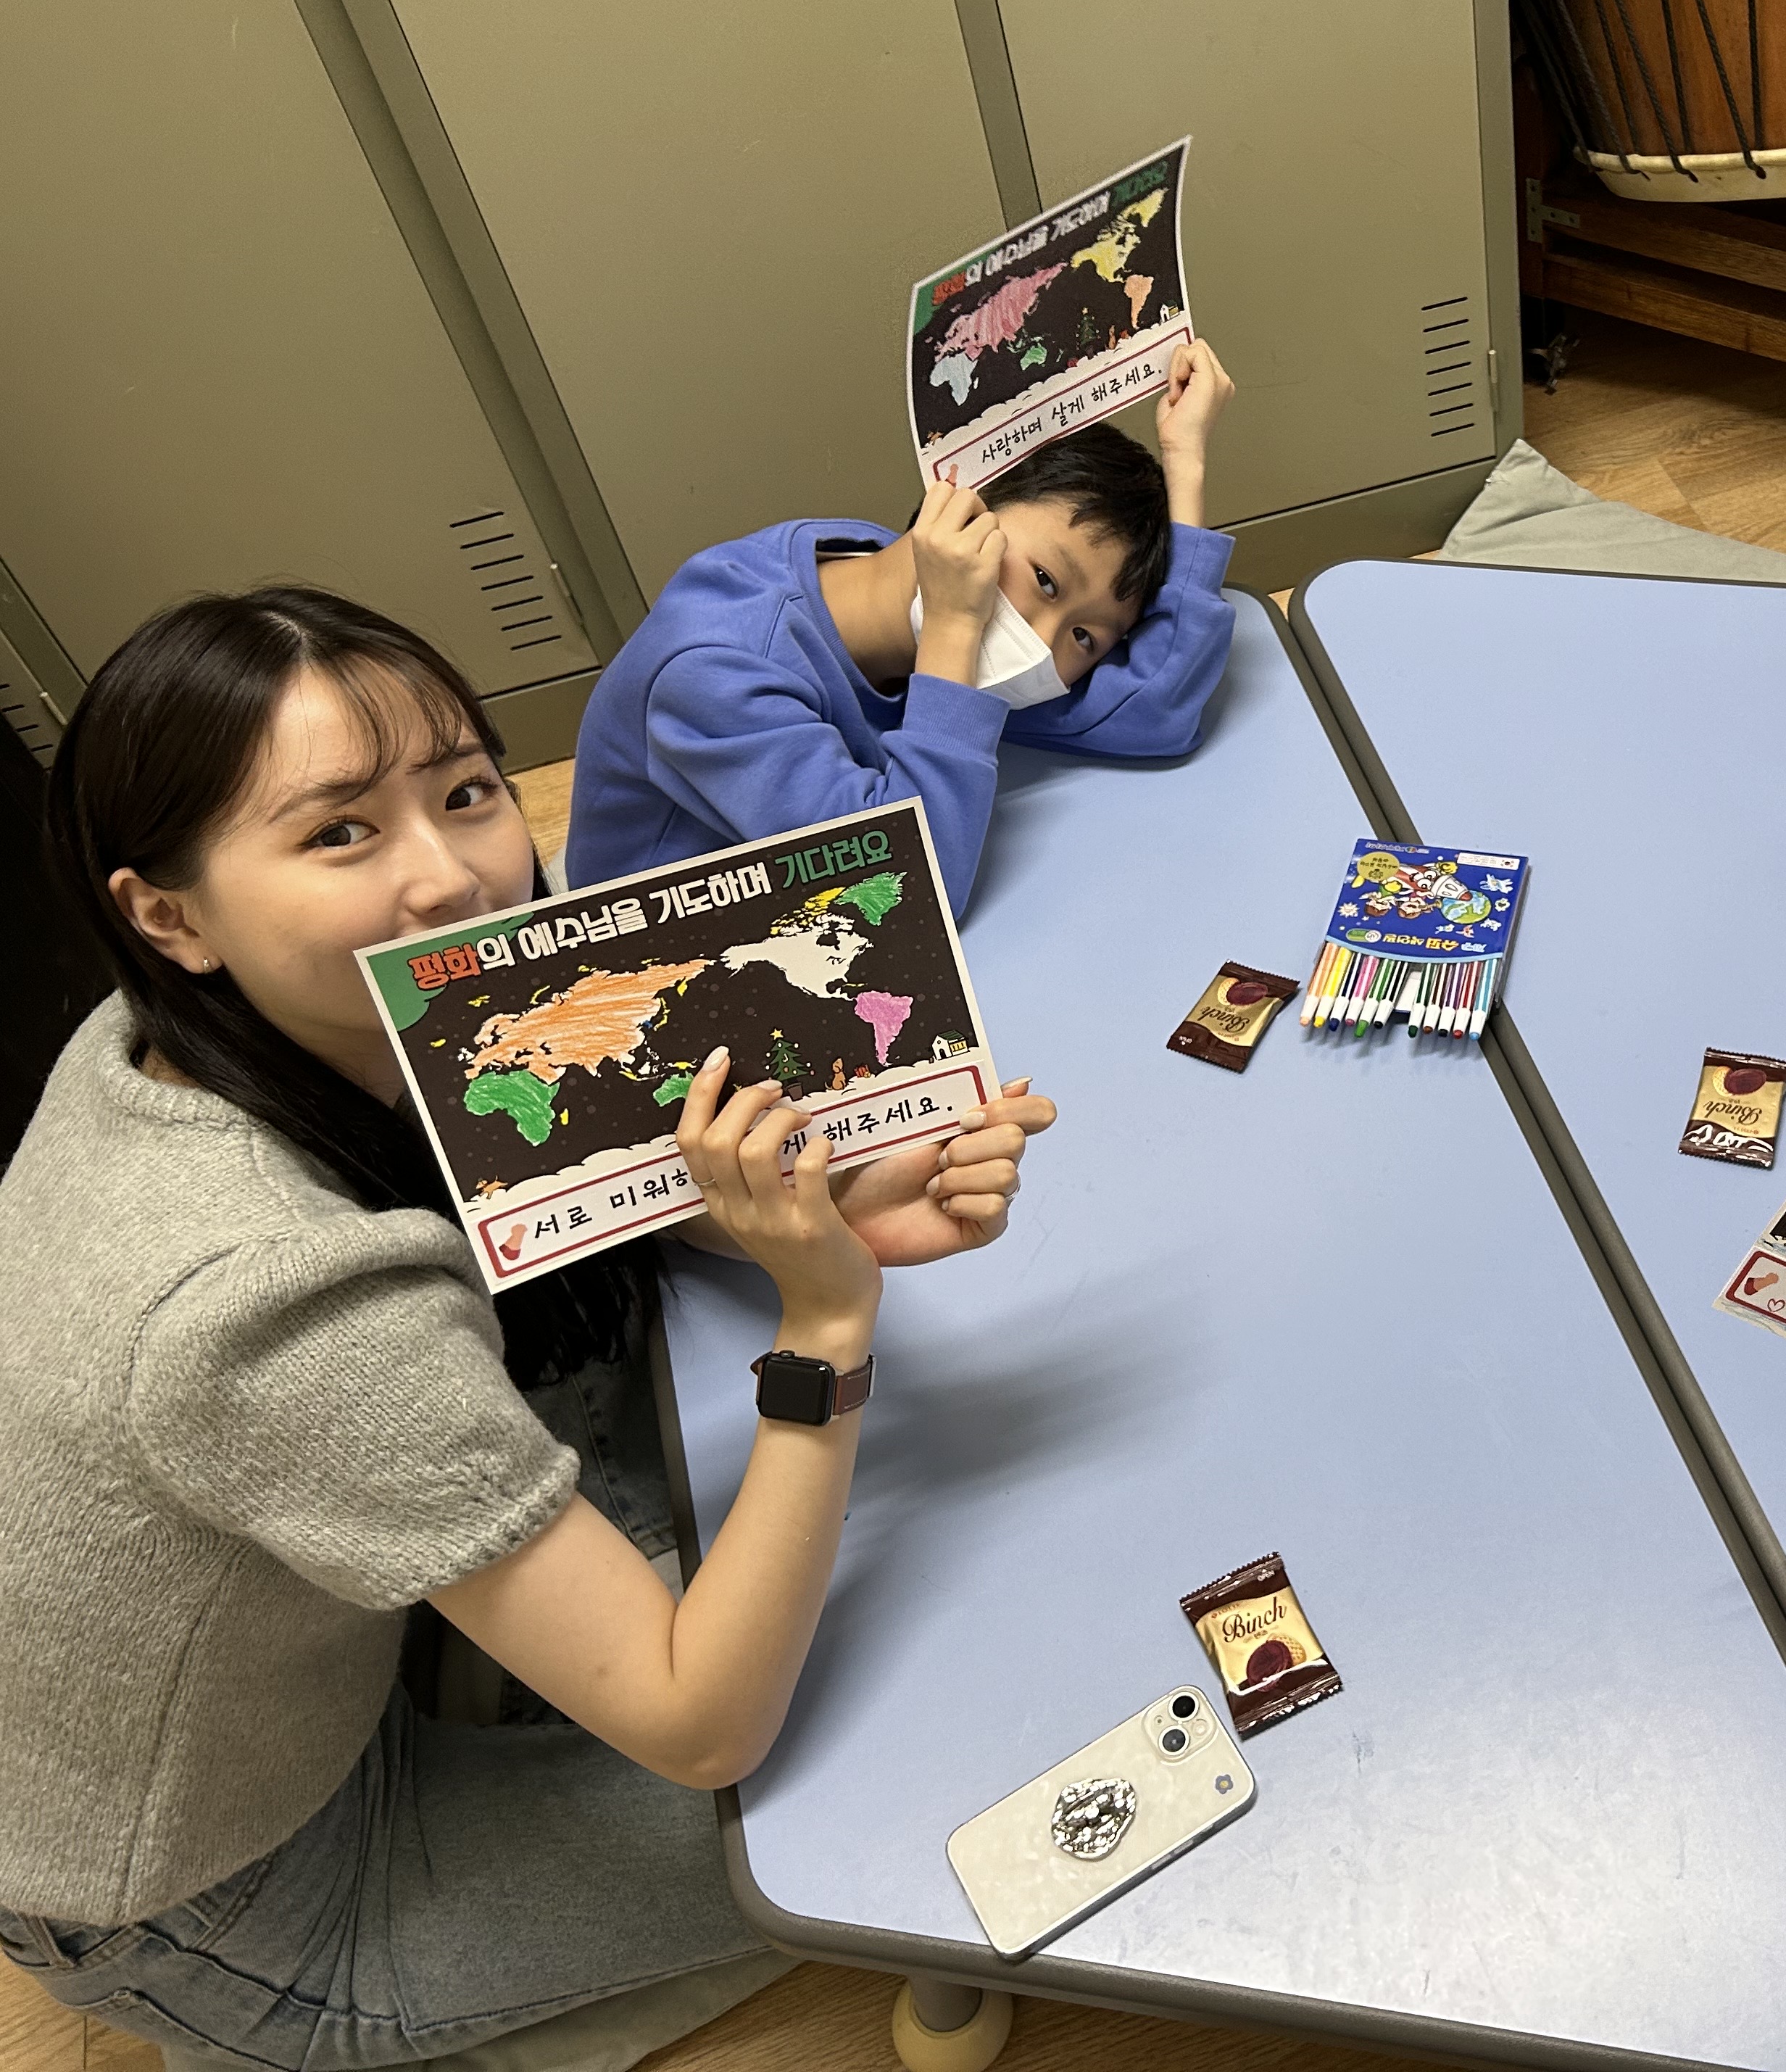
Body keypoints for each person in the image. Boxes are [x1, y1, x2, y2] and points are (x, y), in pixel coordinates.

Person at [0, 587, 1055, 2068]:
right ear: (166, 913)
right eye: (340, 832)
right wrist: (825, 1314)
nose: (457, 880)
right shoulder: (268, 1300)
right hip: (227, 1900)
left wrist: (813, 1203)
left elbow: (550, 1185)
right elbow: (703, 1721)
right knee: (937, 1764)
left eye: (465, 791)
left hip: (295, 1645)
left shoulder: (182, 1029)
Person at [568, 341, 1239, 916]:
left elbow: (1155, 710)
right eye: (1044, 580)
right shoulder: (715, 672)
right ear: (964, 498)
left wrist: (1186, 463)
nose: (1041, 641)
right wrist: (953, 629)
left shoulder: (892, 573)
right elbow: (910, 891)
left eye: (1085, 638)